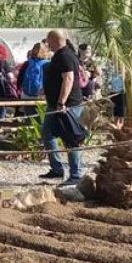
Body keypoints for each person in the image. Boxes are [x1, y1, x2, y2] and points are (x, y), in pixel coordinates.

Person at [39, 31, 84, 184]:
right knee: (47, 133)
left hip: (67, 105)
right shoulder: (59, 55)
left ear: (54, 40)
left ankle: (76, 175)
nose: (47, 44)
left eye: (48, 41)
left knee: (71, 139)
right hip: (54, 105)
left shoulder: (65, 56)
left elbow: (68, 79)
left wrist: (62, 102)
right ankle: (57, 169)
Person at [16, 42, 49, 117]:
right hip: (41, 95)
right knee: (41, 118)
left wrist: (19, 90)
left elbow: (20, 79)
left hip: (26, 94)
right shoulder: (47, 64)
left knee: (30, 118)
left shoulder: (27, 63)